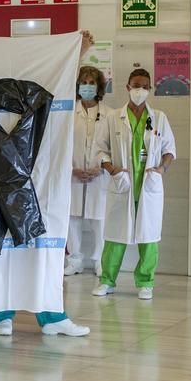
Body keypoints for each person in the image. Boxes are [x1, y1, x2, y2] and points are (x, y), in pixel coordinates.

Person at [91, 69, 176, 301]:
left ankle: (146, 282)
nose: (140, 90)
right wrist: (112, 170)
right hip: (123, 183)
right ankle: (107, 281)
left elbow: (169, 150)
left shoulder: (159, 118)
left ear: (150, 89)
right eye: (136, 85)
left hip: (148, 185)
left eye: (145, 86)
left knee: (149, 237)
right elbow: (100, 150)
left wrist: (162, 169)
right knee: (115, 236)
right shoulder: (113, 117)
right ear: (128, 87)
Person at [65, 65, 109, 277]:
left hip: (98, 175)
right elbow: (59, 144)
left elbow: (112, 145)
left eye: (92, 83)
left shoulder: (109, 114)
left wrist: (100, 167)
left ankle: (100, 260)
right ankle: (74, 260)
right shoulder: (67, 112)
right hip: (72, 174)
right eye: (84, 82)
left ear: (99, 86)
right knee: (71, 218)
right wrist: (71, 169)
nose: (87, 86)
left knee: (98, 218)